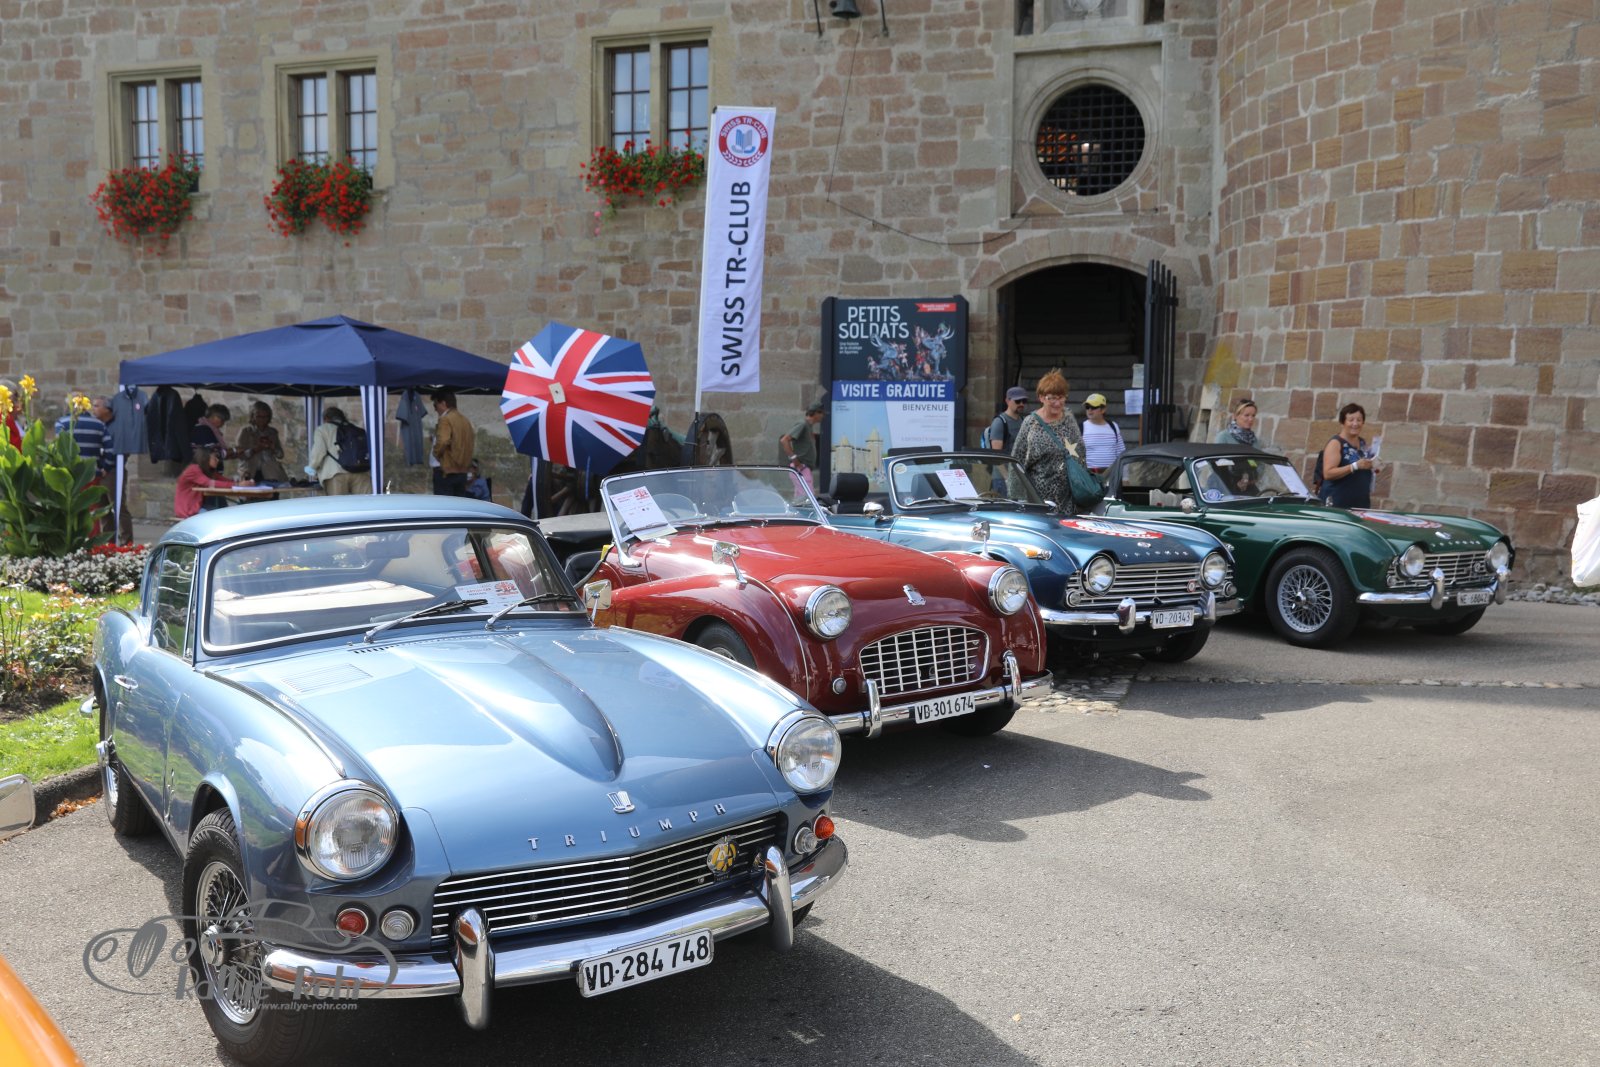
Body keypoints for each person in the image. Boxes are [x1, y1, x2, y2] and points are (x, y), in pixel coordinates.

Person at [1011, 369, 1086, 514]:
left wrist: (1081, 487)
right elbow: (1017, 460)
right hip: (1037, 499)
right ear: (1041, 398)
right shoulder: (1030, 423)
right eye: (1052, 398)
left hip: (1067, 498)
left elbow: (1080, 454)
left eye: (1061, 397)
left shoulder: (1069, 419)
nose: (1057, 403)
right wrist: (1017, 499)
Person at [1319, 402, 1379, 508]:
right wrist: (1354, 466)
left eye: (1359, 420)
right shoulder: (1336, 443)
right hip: (1337, 504)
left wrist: (1374, 465)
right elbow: (1328, 473)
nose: (1355, 424)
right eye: (1351, 420)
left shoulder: (1362, 443)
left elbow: (1364, 467)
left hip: (1360, 505)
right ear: (1343, 423)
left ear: (1363, 423)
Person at [175, 445, 251, 519]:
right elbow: (210, 483)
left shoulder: (208, 471)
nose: (217, 460)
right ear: (206, 458)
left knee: (224, 512)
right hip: (188, 509)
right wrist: (237, 484)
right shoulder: (193, 469)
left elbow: (224, 480)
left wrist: (243, 483)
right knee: (217, 516)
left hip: (198, 506)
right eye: (215, 458)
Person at [307, 406, 363, 496]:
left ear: (326, 418)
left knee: (338, 504)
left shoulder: (323, 429)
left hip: (335, 473)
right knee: (363, 503)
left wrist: (312, 468)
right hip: (361, 472)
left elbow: (319, 451)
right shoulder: (355, 429)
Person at [431, 390, 475, 496]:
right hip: (462, 471)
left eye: (435, 405)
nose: (435, 409)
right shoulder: (465, 421)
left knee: (443, 505)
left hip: (446, 471)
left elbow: (443, 441)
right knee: (458, 504)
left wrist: (436, 453)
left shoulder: (445, 419)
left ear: (443, 403)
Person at [235, 401, 288, 483]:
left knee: (273, 490)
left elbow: (280, 455)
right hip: (250, 471)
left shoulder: (272, 432)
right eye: (259, 416)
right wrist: (257, 449)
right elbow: (240, 455)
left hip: (271, 472)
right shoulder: (245, 432)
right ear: (253, 416)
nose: (262, 420)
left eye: (265, 417)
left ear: (269, 417)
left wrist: (273, 448)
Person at [780, 401, 824, 490]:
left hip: (804, 468)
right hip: (801, 468)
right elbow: (784, 440)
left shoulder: (809, 426)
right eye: (822, 413)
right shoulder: (802, 424)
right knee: (807, 496)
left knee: (801, 496)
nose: (823, 416)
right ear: (816, 413)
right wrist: (795, 461)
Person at [1079, 393, 1126, 476]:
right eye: (1087, 407)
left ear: (1103, 409)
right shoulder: (1081, 428)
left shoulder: (1113, 426)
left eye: (1093, 407)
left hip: (1111, 474)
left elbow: (1121, 452)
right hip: (1089, 475)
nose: (1089, 410)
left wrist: (1125, 477)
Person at [988, 387, 1028, 454]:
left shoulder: (1023, 420)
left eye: (1024, 401)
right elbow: (997, 453)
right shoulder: (999, 422)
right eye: (1017, 401)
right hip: (1007, 460)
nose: (1021, 404)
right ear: (1007, 401)